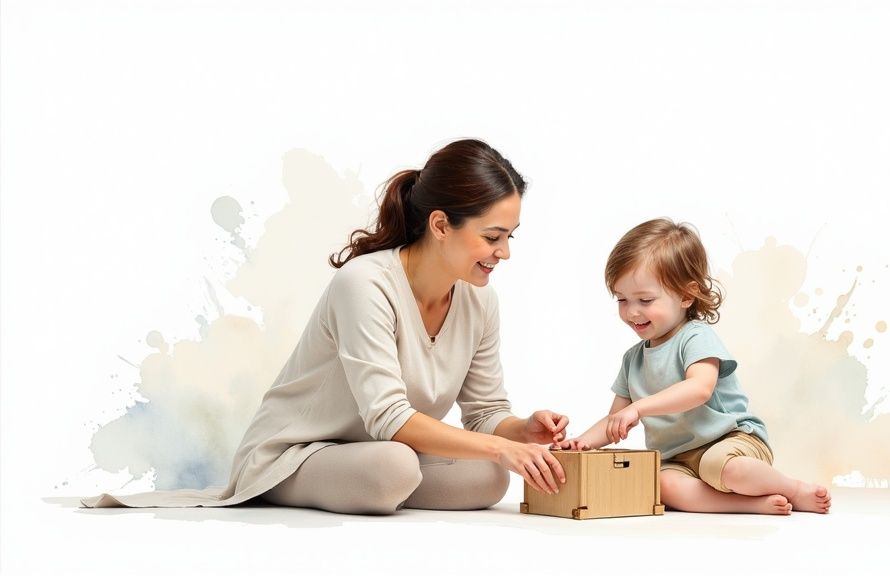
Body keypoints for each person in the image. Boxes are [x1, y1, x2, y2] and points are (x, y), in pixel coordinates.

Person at [83, 138, 568, 515]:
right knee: (398, 466)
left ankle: (369, 484)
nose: (504, 253)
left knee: (490, 477)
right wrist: (499, 448)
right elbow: (389, 418)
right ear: (440, 225)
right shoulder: (366, 284)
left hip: (377, 451)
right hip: (297, 453)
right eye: (493, 236)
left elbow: (485, 412)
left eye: (510, 237)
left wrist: (521, 431)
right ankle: (291, 486)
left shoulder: (480, 300)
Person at [557, 218, 831, 515]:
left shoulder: (695, 337)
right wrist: (583, 442)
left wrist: (639, 408)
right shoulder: (632, 359)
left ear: (687, 295)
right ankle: (749, 504)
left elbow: (699, 389)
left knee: (726, 468)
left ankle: (794, 489)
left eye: (645, 300)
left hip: (730, 441)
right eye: (622, 299)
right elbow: (615, 420)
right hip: (677, 458)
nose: (632, 311)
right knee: (660, 484)